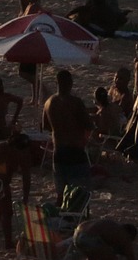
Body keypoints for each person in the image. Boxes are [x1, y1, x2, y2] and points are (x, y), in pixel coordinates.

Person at [43, 69, 93, 199]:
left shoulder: (48, 103)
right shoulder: (76, 102)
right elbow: (88, 125)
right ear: (71, 83)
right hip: (75, 151)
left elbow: (46, 126)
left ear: (56, 83)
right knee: (80, 196)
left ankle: (61, 218)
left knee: (61, 195)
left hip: (58, 152)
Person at [71, 218, 138, 260]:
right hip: (89, 237)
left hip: (76, 235)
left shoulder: (113, 226)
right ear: (130, 235)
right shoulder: (124, 234)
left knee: (94, 256)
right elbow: (130, 256)